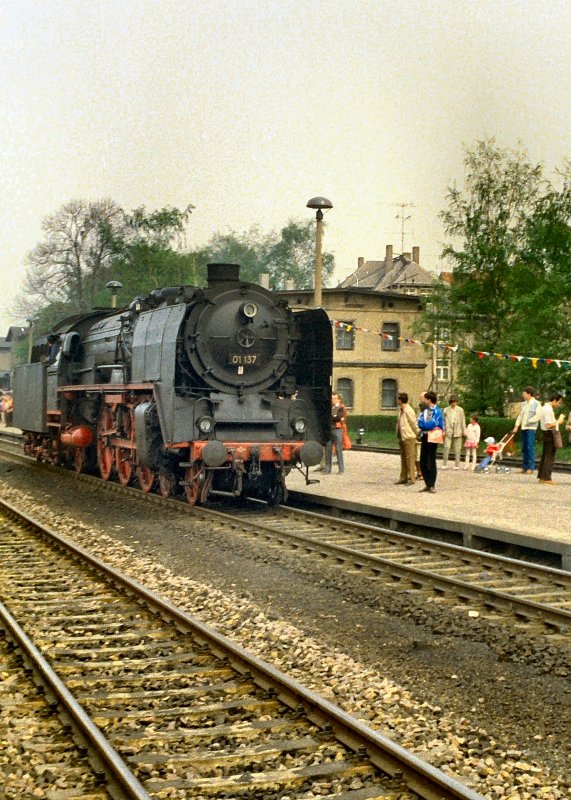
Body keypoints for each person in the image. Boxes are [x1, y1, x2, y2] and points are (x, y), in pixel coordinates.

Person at [417, 390, 444, 493]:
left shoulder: (437, 411)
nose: (424, 400)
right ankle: (427, 483)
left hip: (433, 437)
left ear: (429, 399)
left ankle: (432, 484)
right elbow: (420, 422)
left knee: (431, 460)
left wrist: (426, 426)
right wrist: (425, 426)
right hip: (425, 436)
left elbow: (432, 424)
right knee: (423, 460)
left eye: (426, 398)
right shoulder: (426, 410)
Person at [512, 386, 542, 474]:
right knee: (524, 447)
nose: (523, 395)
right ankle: (524, 467)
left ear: (529, 394)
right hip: (523, 428)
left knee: (530, 447)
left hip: (531, 428)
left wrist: (530, 421)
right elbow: (520, 416)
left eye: (524, 394)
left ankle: (531, 467)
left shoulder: (537, 404)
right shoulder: (524, 404)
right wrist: (516, 426)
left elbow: (538, 416)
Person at [537, 393, 565, 484]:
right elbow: (549, 425)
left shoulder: (544, 408)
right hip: (550, 434)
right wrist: (559, 421)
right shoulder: (548, 410)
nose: (559, 405)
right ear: (554, 400)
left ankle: (542, 476)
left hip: (545, 434)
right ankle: (547, 478)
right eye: (559, 402)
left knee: (545, 455)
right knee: (550, 456)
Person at [394, 392, 419, 486]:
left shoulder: (409, 410)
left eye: (397, 399)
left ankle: (412, 478)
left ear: (400, 400)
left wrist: (417, 433)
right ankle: (403, 477)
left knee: (410, 458)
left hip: (409, 436)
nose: (396, 400)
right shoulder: (401, 410)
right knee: (403, 458)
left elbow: (413, 423)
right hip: (402, 436)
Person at [441, 395, 466, 470]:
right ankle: (444, 464)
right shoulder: (445, 410)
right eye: (452, 402)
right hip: (448, 430)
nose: (454, 403)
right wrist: (443, 430)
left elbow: (463, 421)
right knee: (446, 447)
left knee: (457, 449)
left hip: (458, 430)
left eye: (455, 402)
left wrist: (464, 431)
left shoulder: (460, 410)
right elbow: (443, 421)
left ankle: (456, 464)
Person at [323, 392, 346, 474]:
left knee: (338, 449)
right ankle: (327, 469)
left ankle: (341, 469)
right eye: (331, 398)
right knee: (328, 449)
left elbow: (339, 417)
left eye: (334, 398)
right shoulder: (330, 408)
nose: (332, 400)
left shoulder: (341, 408)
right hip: (329, 430)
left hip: (337, 430)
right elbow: (329, 417)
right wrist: (334, 416)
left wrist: (332, 417)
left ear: (338, 399)